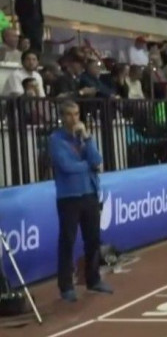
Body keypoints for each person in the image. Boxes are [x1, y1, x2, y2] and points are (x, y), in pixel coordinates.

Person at [48, 99, 113, 302]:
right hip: (69, 197)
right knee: (67, 241)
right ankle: (66, 286)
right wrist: (89, 166)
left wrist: (88, 138)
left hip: (90, 193)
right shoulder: (55, 139)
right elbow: (67, 166)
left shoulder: (82, 138)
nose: (73, 118)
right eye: (69, 114)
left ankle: (93, 279)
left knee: (93, 239)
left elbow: (97, 160)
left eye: (76, 114)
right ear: (62, 117)